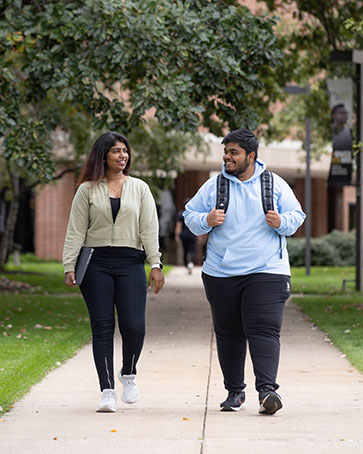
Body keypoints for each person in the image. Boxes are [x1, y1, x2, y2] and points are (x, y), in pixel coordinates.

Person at [184, 128, 305, 415]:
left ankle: (267, 392)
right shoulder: (214, 186)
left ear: (251, 156)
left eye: (233, 152)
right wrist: (207, 219)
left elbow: (296, 216)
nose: (227, 157)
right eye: (225, 152)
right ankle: (235, 392)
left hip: (268, 269)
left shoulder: (274, 184)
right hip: (221, 271)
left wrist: (281, 222)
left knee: (264, 328)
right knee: (228, 332)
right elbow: (190, 216)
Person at [63, 131, 165, 413]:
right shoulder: (87, 190)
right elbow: (76, 230)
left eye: (125, 151)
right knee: (103, 329)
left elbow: (149, 229)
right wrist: (69, 265)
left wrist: (155, 264)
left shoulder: (140, 188)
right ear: (103, 156)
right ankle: (107, 390)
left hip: (131, 261)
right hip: (96, 263)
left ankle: (128, 374)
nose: (123, 156)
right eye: (116, 151)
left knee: (134, 326)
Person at [175, 198, 197, 274]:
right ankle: (190, 262)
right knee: (192, 250)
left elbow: (179, 225)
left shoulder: (181, 214)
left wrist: (177, 235)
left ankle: (186, 264)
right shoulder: (194, 213)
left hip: (184, 235)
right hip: (192, 234)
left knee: (185, 250)